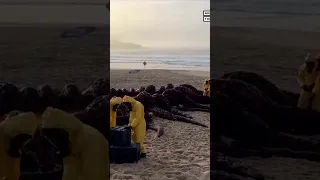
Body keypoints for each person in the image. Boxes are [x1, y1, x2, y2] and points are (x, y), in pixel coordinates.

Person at [41, 107, 109, 180]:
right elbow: (70, 171)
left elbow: (92, 174)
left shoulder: (92, 139)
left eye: (55, 134)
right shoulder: (70, 142)